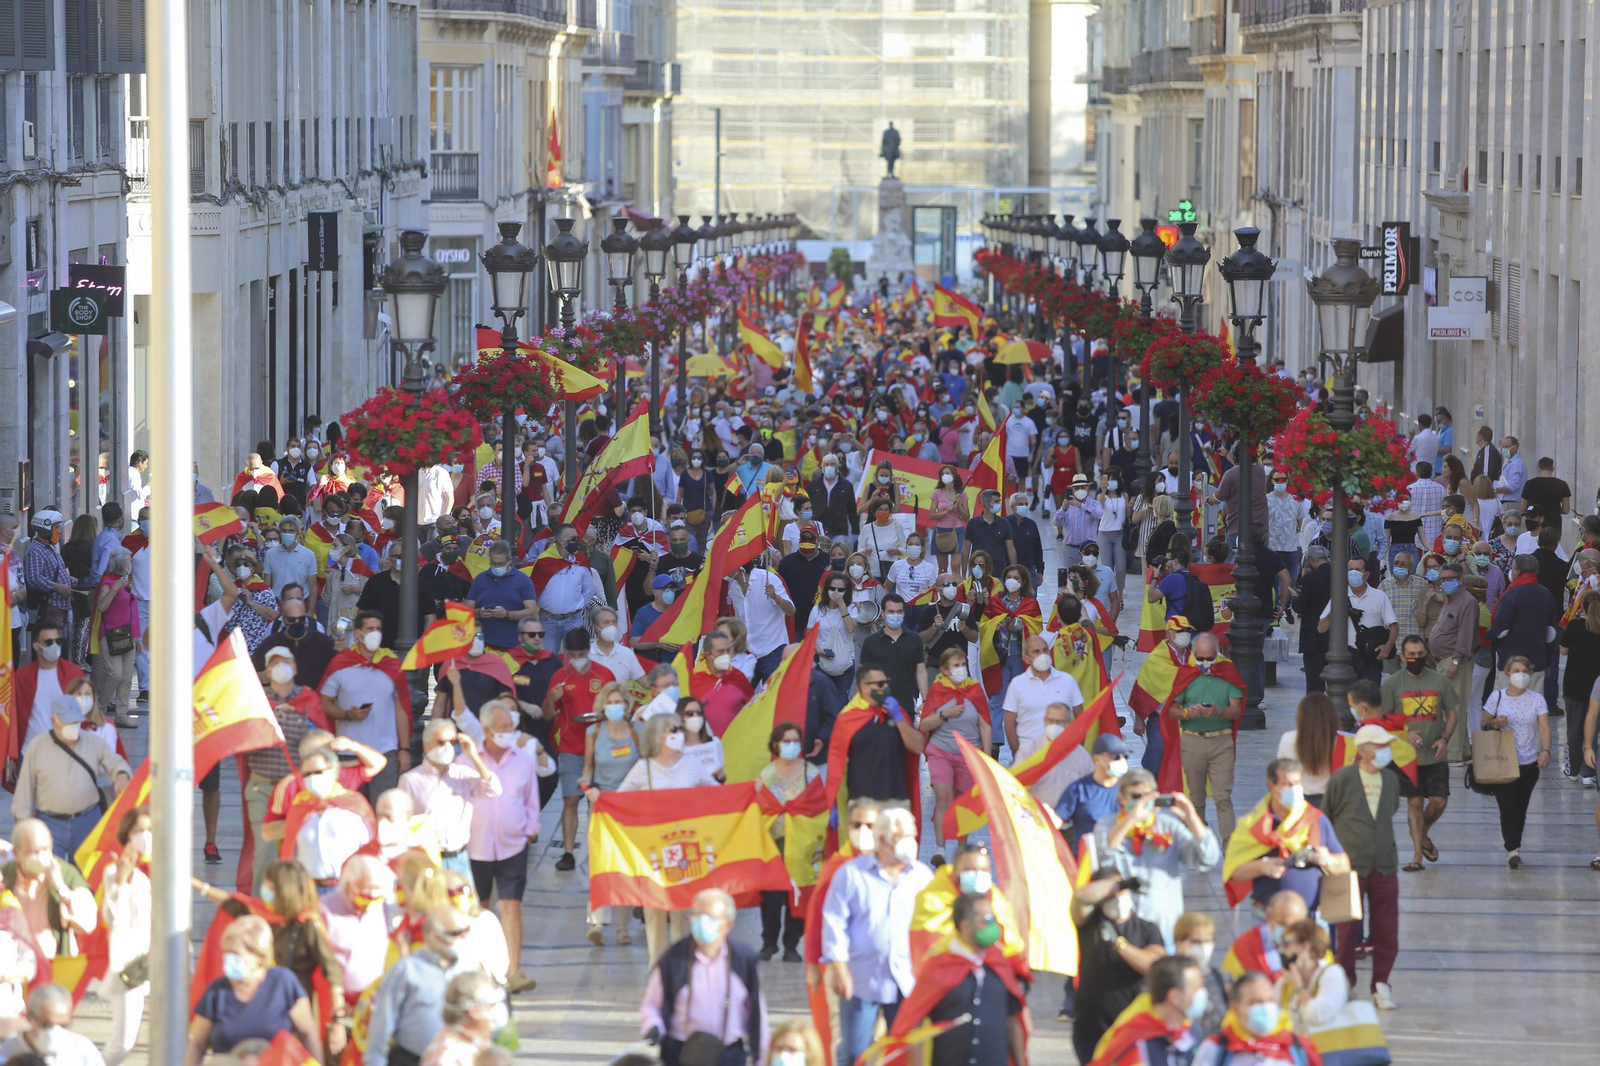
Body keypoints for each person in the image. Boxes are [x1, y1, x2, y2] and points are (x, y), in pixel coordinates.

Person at [820, 805, 932, 1066]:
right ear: (881, 839)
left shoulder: (922, 877)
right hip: (861, 981)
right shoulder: (851, 874)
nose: (909, 842)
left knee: (901, 1053)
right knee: (855, 1052)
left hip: (906, 982)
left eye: (911, 835)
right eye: (901, 836)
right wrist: (839, 969)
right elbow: (834, 921)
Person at [889, 891, 1029, 1066]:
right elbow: (913, 1025)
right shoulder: (938, 967)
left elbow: (1012, 1022)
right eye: (986, 919)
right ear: (966, 926)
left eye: (994, 918)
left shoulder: (1000, 965)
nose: (993, 926)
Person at [640, 888, 770, 1066]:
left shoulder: (743, 960)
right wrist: (652, 1026)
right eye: (697, 915)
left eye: (709, 917)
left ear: (727, 924)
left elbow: (757, 1012)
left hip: (729, 1055)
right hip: (681, 1054)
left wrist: (761, 1058)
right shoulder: (673, 960)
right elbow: (652, 1004)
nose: (702, 922)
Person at [1093, 768, 1220, 948]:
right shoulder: (1107, 826)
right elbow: (1102, 857)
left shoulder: (1168, 824)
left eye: (1147, 797)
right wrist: (1130, 819)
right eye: (1136, 796)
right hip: (1124, 926)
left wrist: (1192, 818)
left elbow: (1207, 859)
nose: (1142, 802)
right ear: (1121, 797)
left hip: (1164, 927)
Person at [469, 701, 546, 993]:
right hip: (477, 847)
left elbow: (531, 799)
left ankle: (514, 972)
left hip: (513, 845)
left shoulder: (522, 760)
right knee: (480, 910)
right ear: (486, 729)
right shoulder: (468, 760)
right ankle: (480, 972)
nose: (508, 732)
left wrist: (530, 830)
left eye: (510, 727)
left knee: (512, 907)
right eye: (502, 727)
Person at [1322, 724, 1400, 1009]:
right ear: (1364, 750)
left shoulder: (1391, 780)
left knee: (1387, 927)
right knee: (1346, 930)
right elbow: (1325, 817)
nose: (1385, 752)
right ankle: (1344, 983)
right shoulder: (1342, 779)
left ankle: (1381, 983)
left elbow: (1389, 812)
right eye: (1380, 746)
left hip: (1384, 865)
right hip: (1348, 867)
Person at [187, 914, 324, 1064]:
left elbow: (308, 1034)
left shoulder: (283, 983)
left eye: (236, 954)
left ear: (258, 956)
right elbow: (197, 1045)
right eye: (227, 952)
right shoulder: (216, 992)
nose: (229, 959)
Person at [11, 694, 132, 857]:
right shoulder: (37, 747)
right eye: (69, 721)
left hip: (87, 819)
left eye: (76, 721)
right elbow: (24, 790)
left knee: (84, 875)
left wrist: (121, 775)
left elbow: (116, 762)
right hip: (50, 823)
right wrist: (23, 825)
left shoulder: (93, 742)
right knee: (50, 874)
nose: (74, 726)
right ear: (54, 720)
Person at [1068, 864, 1167, 1061]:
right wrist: (1117, 884)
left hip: (1133, 1031)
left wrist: (1119, 945)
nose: (1115, 897)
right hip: (1092, 1030)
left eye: (1120, 891)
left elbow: (1152, 964)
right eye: (1109, 893)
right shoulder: (1089, 922)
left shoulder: (1147, 929)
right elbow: (1080, 897)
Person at [1221, 758, 1347, 911]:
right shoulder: (1252, 825)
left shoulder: (1316, 820)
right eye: (1288, 784)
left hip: (1311, 920)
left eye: (1298, 784)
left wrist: (1328, 860)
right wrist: (1263, 866)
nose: (1295, 789)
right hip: (1268, 917)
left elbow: (1344, 864)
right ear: (1272, 787)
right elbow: (1233, 871)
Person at [1382, 635, 1458, 868]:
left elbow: (1452, 712)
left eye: (1420, 654)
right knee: (1414, 802)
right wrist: (1403, 733)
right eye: (1411, 655)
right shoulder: (1392, 684)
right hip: (1406, 757)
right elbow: (1382, 719)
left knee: (1439, 801)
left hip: (1434, 752)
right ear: (1403, 657)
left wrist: (1445, 738)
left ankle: (1421, 832)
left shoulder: (1439, 681)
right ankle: (1417, 855)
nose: (1416, 658)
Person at [544, 628, 616, 872]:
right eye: (572, 654)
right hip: (571, 748)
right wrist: (551, 699)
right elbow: (546, 714)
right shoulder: (559, 677)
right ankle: (567, 853)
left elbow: (618, 709)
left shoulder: (604, 675)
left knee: (599, 802)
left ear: (589, 649)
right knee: (571, 799)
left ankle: (599, 851)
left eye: (581, 653)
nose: (577, 659)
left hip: (601, 749)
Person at [319, 610, 411, 798]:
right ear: (358, 633)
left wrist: (405, 749)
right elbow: (323, 702)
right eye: (370, 629)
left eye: (378, 629)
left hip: (385, 751)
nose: (375, 633)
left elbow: (401, 708)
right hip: (347, 753)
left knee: (383, 812)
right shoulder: (341, 663)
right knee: (350, 811)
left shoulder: (391, 664)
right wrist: (346, 715)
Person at [364, 906, 471, 1066]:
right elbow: (382, 1025)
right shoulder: (407, 970)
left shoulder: (470, 969)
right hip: (411, 1060)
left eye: (466, 930)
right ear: (435, 936)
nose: (465, 937)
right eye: (456, 933)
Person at [399, 718, 501, 879]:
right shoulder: (410, 779)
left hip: (458, 859)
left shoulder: (462, 774)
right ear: (427, 745)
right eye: (441, 742)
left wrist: (474, 756)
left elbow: (494, 789)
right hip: (427, 859)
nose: (447, 747)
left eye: (452, 742)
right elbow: (402, 822)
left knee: (462, 904)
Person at [1168, 631, 1244, 839]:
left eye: (1209, 658)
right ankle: (1197, 845)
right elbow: (1171, 710)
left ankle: (1229, 848)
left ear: (1217, 653)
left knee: (1223, 798)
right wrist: (1187, 712)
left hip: (1221, 740)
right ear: (1193, 654)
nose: (1204, 663)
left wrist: (1219, 711)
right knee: (1195, 799)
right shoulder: (1187, 674)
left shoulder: (1228, 672)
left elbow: (1237, 710)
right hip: (1192, 740)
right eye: (1200, 658)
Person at [756, 722, 821, 960]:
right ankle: (769, 943)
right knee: (771, 895)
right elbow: (759, 807)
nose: (791, 745)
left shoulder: (810, 773)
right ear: (775, 744)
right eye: (786, 741)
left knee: (798, 891)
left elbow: (817, 806)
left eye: (795, 741)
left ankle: (791, 945)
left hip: (802, 845)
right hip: (774, 843)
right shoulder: (766, 774)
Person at [1481, 656, 1551, 868]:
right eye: (1516, 670)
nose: (1520, 674)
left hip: (1529, 764)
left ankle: (1515, 846)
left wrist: (1546, 750)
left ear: (1529, 674)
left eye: (1524, 670)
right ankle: (1512, 849)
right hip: (1503, 761)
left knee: (1521, 809)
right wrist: (1495, 722)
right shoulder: (1497, 697)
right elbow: (1483, 724)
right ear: (1508, 674)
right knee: (1508, 807)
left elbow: (1544, 727)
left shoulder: (1537, 699)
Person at [918, 648, 990, 855]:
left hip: (968, 753)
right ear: (944, 670)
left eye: (962, 665)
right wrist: (945, 714)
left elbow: (985, 724)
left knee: (963, 802)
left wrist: (984, 757)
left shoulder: (975, 689)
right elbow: (924, 725)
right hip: (940, 751)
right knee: (943, 796)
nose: (961, 669)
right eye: (955, 666)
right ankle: (939, 849)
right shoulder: (938, 690)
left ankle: (961, 848)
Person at [99, 807, 153, 1066]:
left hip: (163, 960)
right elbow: (112, 919)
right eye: (138, 831)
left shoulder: (161, 868)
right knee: (124, 1041)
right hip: (132, 966)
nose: (145, 836)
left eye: (150, 830)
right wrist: (121, 883)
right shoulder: (115, 871)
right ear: (126, 836)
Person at [1189, 970, 1322, 1066]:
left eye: (1270, 1000)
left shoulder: (1299, 1048)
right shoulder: (1215, 1049)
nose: (1265, 1008)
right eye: (1255, 1002)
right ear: (1235, 1008)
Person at [320, 853, 394, 1004]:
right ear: (348, 885)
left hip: (376, 999)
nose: (371, 899)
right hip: (339, 1001)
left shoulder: (382, 906)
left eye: (376, 895)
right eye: (365, 894)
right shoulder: (325, 909)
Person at [1000, 633, 1082, 766]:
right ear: (1026, 658)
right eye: (1036, 652)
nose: (1042, 655)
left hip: (1062, 757)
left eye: (1045, 650)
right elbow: (1009, 723)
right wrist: (1017, 752)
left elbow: (1081, 718)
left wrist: (1075, 749)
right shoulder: (1017, 684)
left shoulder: (1067, 681)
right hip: (1029, 757)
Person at [1317, 557, 1397, 684]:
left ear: (1366, 574)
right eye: (1350, 569)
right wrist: (1337, 609)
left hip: (1372, 656)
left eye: (1357, 570)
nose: (1353, 573)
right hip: (1348, 656)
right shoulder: (1339, 596)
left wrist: (1388, 646)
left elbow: (1393, 625)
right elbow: (1321, 628)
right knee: (1347, 699)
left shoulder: (1379, 596)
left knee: (1370, 697)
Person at [1491, 554, 1560, 691]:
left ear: (1517, 571)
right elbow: (1551, 633)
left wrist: (1490, 634)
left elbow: (1501, 629)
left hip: (1511, 661)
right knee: (1533, 706)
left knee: (1510, 707)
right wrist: (1548, 661)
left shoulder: (1511, 594)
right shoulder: (1546, 594)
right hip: (1537, 660)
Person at [0, 983, 107, 1064]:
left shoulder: (82, 1049)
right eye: (47, 1025)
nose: (55, 1032)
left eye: (63, 1025)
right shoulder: (6, 1052)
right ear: (30, 1018)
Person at [1055, 734, 1129, 851]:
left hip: (1120, 860)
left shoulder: (1128, 788)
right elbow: (1057, 820)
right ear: (1097, 759)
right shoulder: (1079, 789)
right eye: (1115, 757)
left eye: (1124, 756)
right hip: (1087, 861)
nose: (1121, 760)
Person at [417, 970, 504, 1066]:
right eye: (492, 1005)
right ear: (474, 1011)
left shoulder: (476, 1041)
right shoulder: (448, 1056)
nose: (498, 1010)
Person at [858, 594, 928, 713]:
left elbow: (920, 671)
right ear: (883, 613)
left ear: (904, 613)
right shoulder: (871, 642)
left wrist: (926, 700)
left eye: (899, 611)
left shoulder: (914, 639)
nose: (895, 615)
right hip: (878, 706)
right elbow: (862, 674)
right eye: (891, 611)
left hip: (906, 705)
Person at [1278, 919, 1348, 1038]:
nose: (1280, 949)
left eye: (1287, 944)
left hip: (1328, 1052)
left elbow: (1320, 1016)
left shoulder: (1332, 974)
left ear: (1305, 946)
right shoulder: (1286, 981)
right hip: (1300, 1052)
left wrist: (1299, 989)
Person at [729, 562, 796, 684]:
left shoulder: (768, 578)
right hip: (748, 654)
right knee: (742, 698)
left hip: (772, 651)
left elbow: (791, 610)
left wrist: (776, 597)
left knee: (772, 699)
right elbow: (740, 620)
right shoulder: (734, 587)